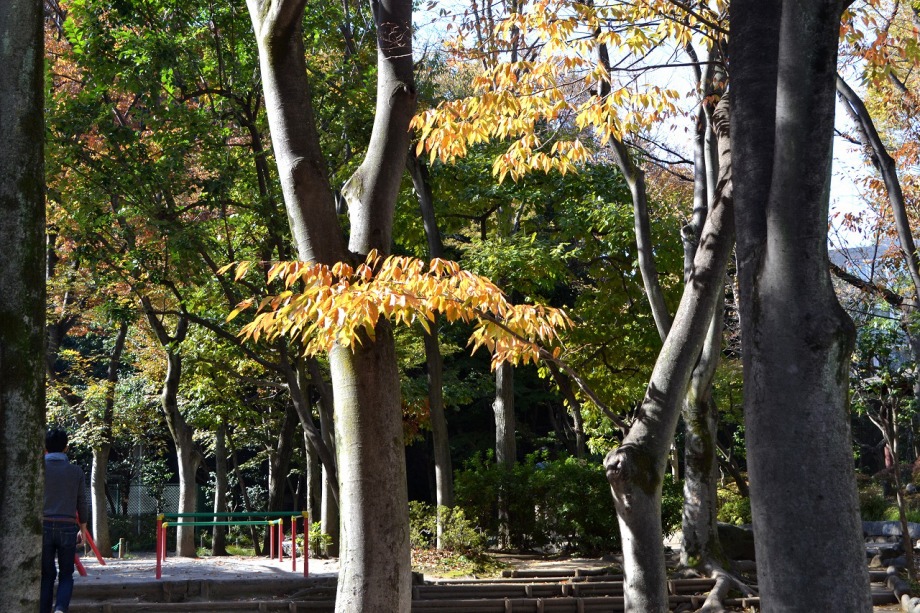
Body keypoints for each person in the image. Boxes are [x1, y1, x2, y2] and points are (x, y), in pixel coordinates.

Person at [40, 428, 88, 613]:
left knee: (46, 575)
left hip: (43, 525)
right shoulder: (76, 471)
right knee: (66, 573)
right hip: (67, 526)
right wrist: (82, 528)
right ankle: (60, 608)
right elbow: (82, 502)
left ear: (45, 447)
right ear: (66, 448)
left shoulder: (38, 470)